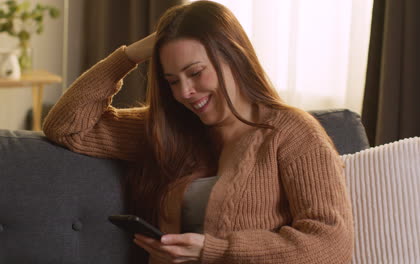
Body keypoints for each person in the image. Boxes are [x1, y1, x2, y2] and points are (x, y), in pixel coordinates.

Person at [43, 1, 354, 263]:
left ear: (234, 57)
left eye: (195, 72)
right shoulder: (172, 128)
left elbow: (331, 245)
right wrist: (131, 55)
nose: (186, 92)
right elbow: (67, 127)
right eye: (173, 80)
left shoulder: (293, 133)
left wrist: (211, 250)